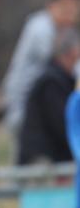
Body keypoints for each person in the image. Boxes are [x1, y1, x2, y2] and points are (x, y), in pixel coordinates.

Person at [4, 0, 80, 139]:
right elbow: (64, 62)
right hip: (24, 106)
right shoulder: (41, 28)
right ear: (51, 6)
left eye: (74, 9)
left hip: (42, 105)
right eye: (65, 8)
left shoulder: (61, 30)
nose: (70, 14)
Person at [18, 28, 80, 165]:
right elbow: (64, 127)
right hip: (41, 162)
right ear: (70, 54)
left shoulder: (61, 79)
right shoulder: (51, 83)